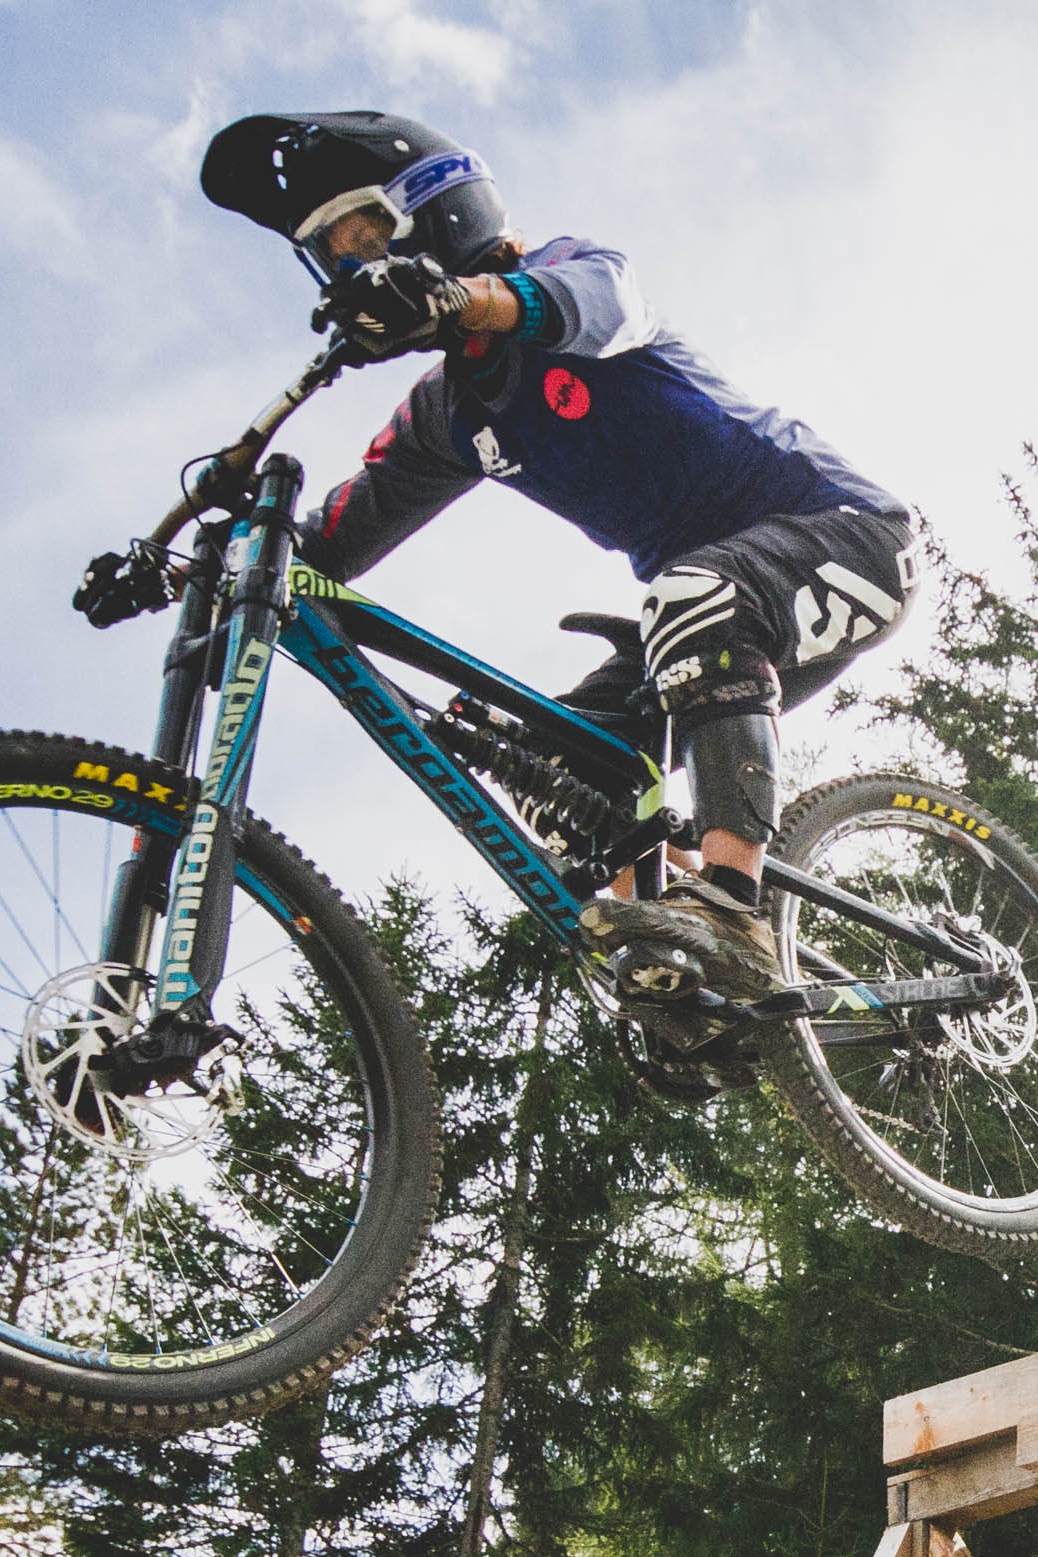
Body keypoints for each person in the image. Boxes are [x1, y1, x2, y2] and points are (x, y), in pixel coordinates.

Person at [199, 110, 918, 988]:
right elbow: (335, 544)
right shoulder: (449, 414)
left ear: (439, 206)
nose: (356, 269)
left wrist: (460, 297)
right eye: (336, 260)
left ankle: (733, 909)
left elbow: (595, 305)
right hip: (706, 612)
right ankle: (687, 967)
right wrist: (219, 561)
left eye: (365, 237)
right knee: (551, 760)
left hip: (848, 534)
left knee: (694, 598)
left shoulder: (570, 271)